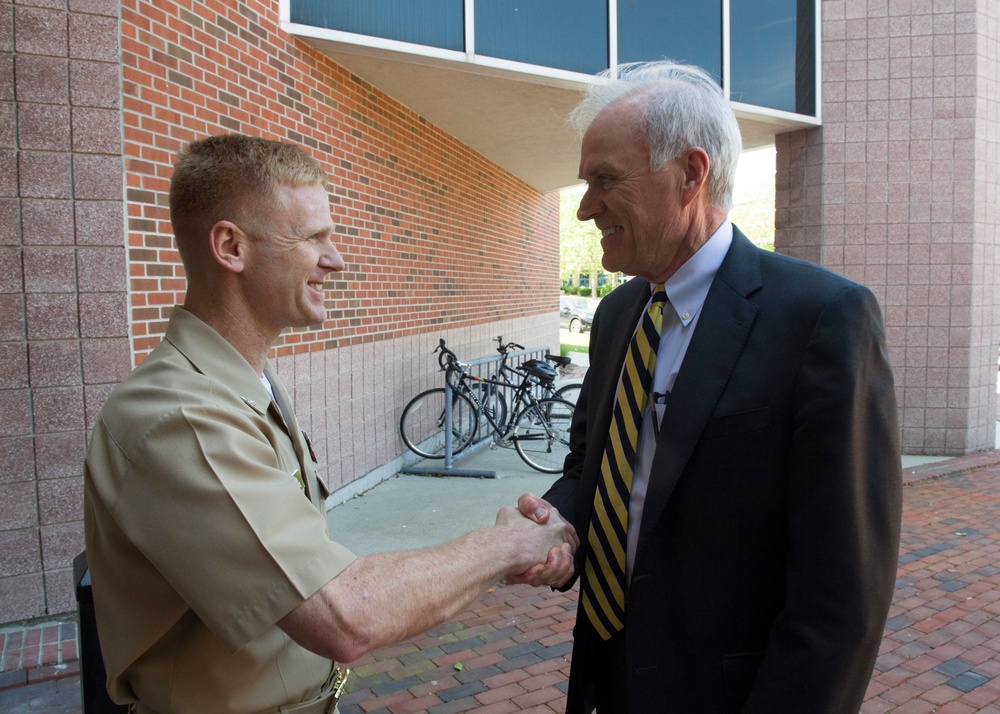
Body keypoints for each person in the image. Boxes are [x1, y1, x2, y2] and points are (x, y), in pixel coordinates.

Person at [82, 133, 578, 714]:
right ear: (230, 247)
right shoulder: (180, 416)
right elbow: (345, 615)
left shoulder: (241, 388)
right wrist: (507, 546)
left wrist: (497, 556)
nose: (335, 258)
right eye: (313, 237)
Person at [518, 61, 902, 712]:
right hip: (604, 682)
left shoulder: (821, 318)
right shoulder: (616, 317)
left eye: (605, 180)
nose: (585, 208)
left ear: (690, 174)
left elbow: (842, 593)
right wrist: (558, 521)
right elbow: (593, 467)